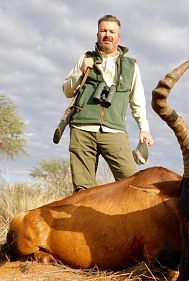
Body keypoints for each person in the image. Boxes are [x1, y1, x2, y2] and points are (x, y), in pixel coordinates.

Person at [62, 15, 154, 192]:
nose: (107, 35)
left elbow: (137, 100)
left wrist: (144, 128)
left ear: (119, 37)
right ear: (97, 34)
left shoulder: (131, 65)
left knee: (133, 185)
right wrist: (81, 73)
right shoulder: (85, 58)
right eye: (103, 31)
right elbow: (67, 90)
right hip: (82, 130)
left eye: (112, 31)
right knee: (82, 192)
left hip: (115, 130)